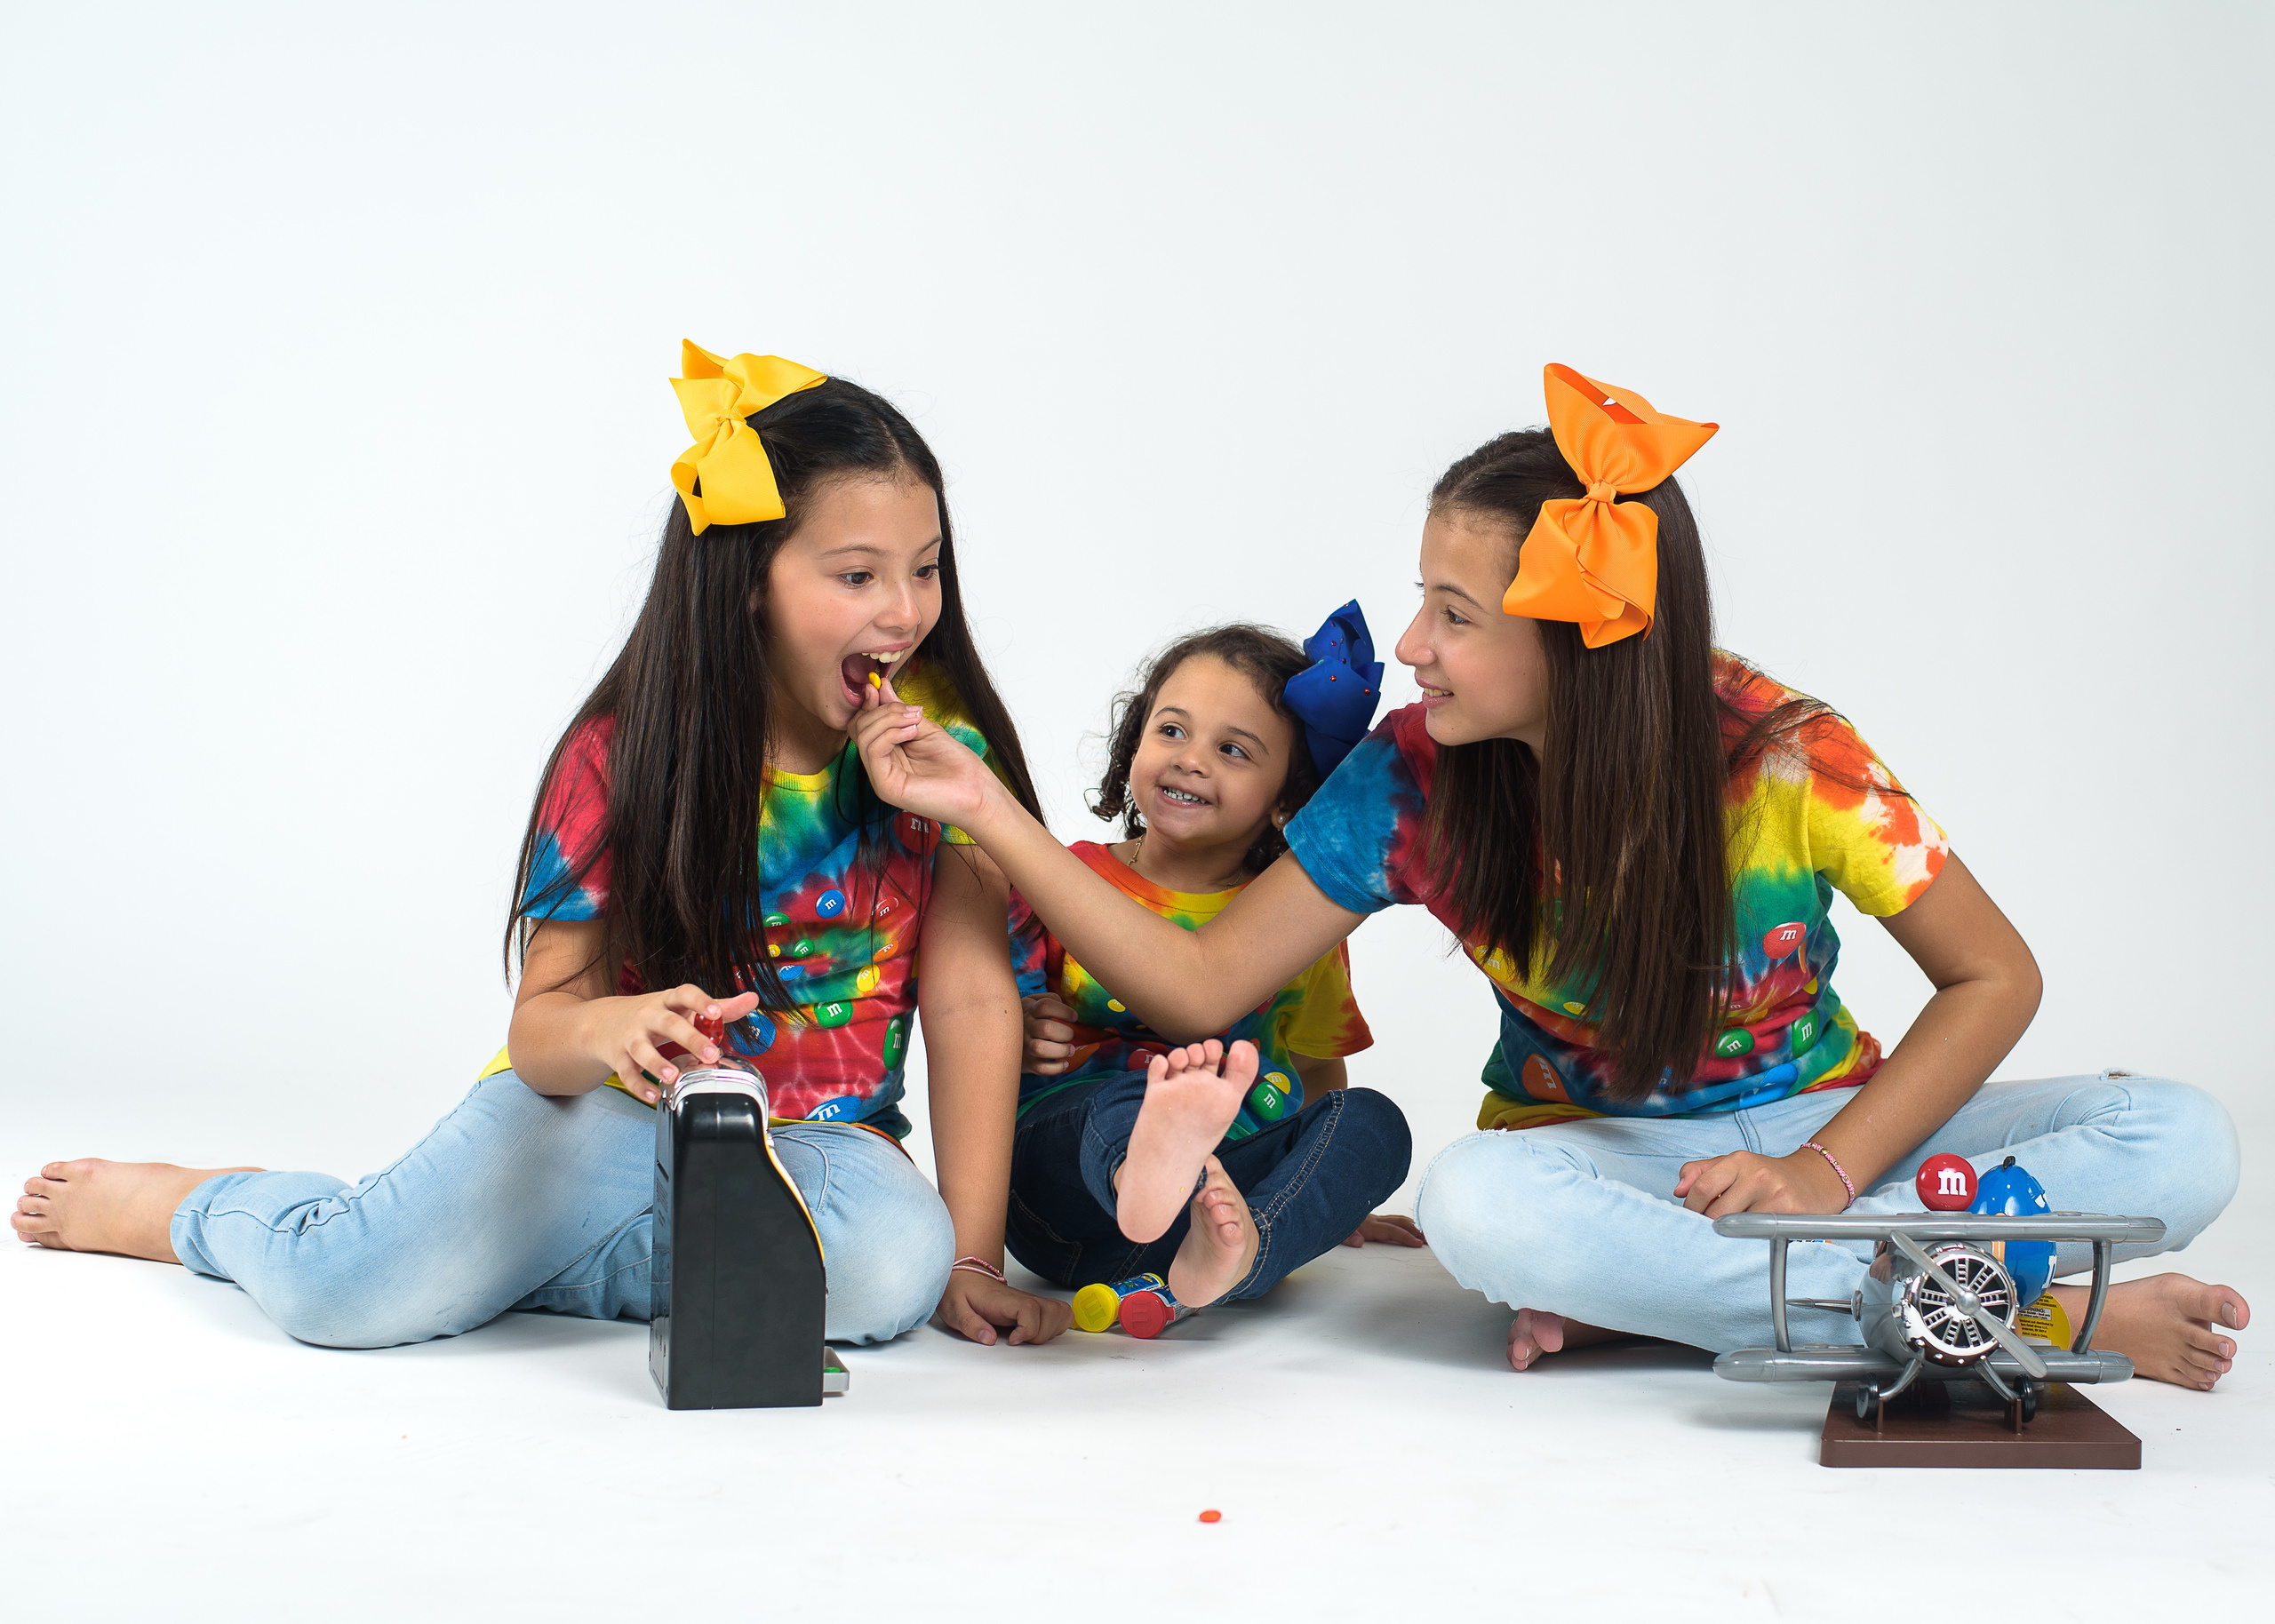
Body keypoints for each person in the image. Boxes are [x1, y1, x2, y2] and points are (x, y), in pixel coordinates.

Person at [850, 363, 2248, 1389]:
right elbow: (1201, 974)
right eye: (1422, 601)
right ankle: (2020, 1310)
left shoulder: (1786, 757)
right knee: (1478, 1211)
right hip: (1602, 1165)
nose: (1412, 642)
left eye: (1454, 614)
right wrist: (989, 812)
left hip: (1838, 1128)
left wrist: (1829, 1169)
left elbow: (1996, 978)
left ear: (1579, 635)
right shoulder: (1414, 779)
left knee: (2181, 1137)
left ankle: (1703, 1300)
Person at [15, 343, 1073, 1351]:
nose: (905, 612)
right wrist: (615, 1025)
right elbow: (539, 1036)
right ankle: (209, 1210)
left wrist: (973, 1257)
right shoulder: (624, 755)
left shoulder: (949, 764)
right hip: (597, 1129)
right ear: (752, 576)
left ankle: (479, 1256)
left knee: (900, 1260)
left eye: (925, 569)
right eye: (857, 576)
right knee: (335, 1295)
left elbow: (976, 1003)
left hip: (819, 1158)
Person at [1003, 615, 1420, 1322]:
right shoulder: (1064, 880)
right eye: (1171, 730)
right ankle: (1148, 1167)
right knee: (1124, 1103)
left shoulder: (1295, 923)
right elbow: (980, 1018)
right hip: (1064, 1199)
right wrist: (1021, 1026)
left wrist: (1321, 1185)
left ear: (1290, 797)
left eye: (1232, 749)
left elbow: (1320, 1072)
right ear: (1134, 740)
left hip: (1207, 1212)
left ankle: (1236, 1251)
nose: (1191, 758)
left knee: (1377, 1125)